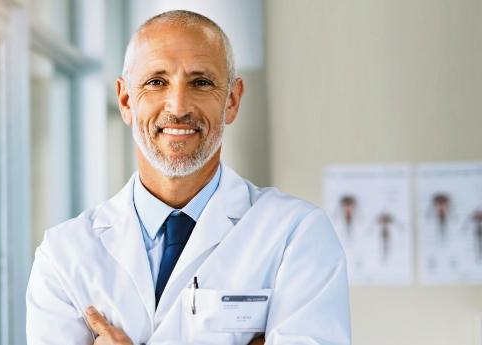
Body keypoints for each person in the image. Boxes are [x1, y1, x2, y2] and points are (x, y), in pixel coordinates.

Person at [25, 10, 351, 345]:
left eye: (201, 82)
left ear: (232, 100)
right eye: (156, 82)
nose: (178, 106)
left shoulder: (296, 235)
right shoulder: (64, 256)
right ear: (125, 100)